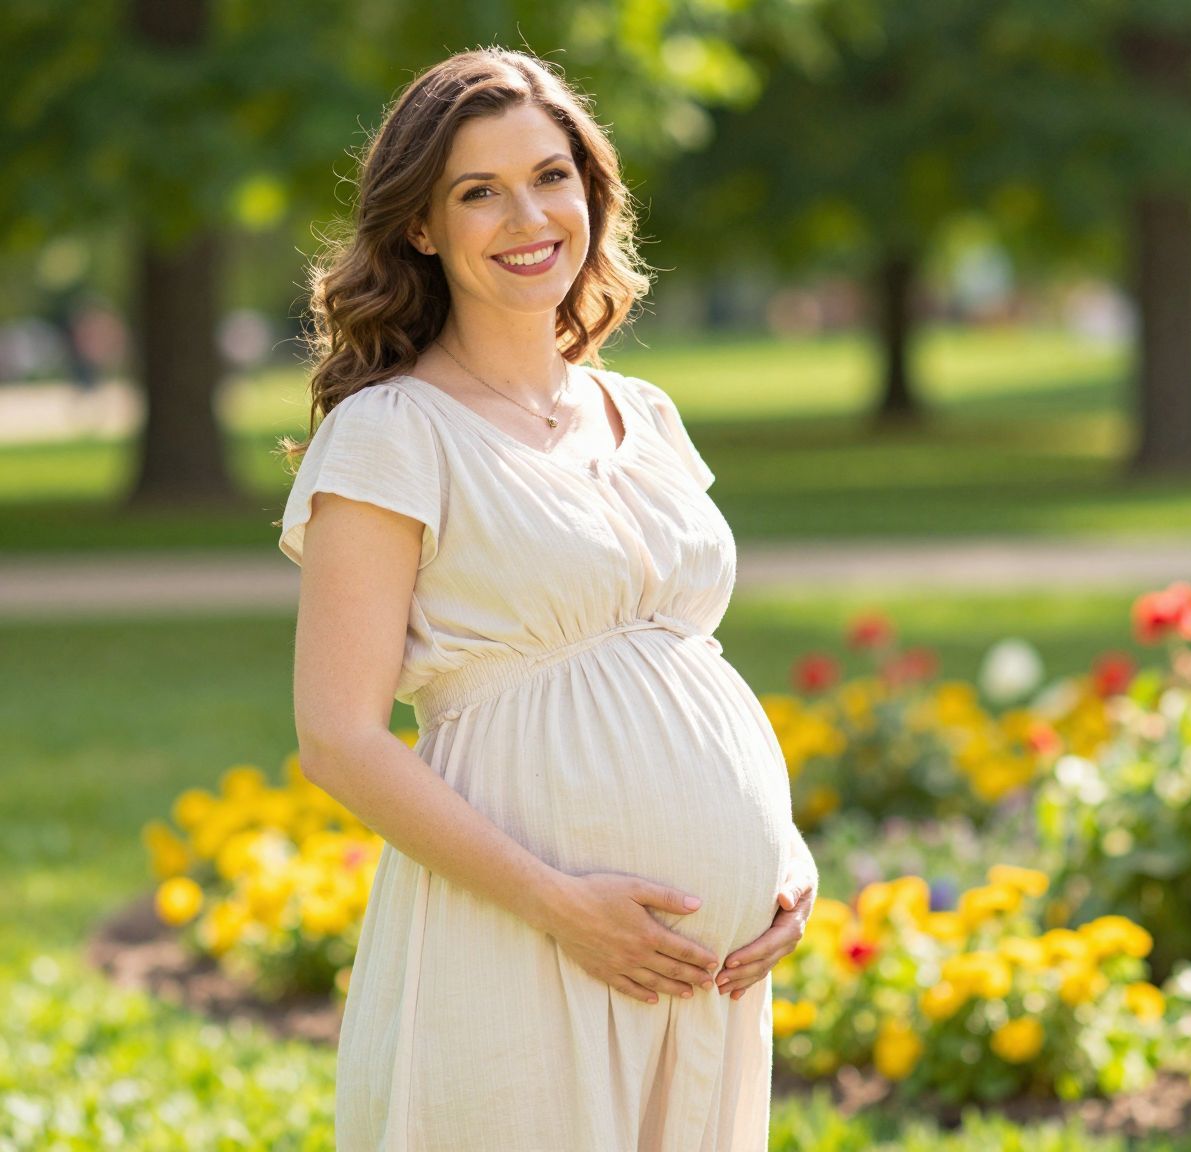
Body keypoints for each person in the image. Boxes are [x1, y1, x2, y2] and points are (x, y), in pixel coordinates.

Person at [274, 47, 818, 1151]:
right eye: (478, 191)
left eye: (550, 175)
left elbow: (683, 661)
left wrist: (782, 860)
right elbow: (337, 739)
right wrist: (557, 905)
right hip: (521, 941)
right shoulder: (390, 433)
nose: (528, 215)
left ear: (591, 188)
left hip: (704, 978)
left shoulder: (644, 414)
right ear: (421, 227)